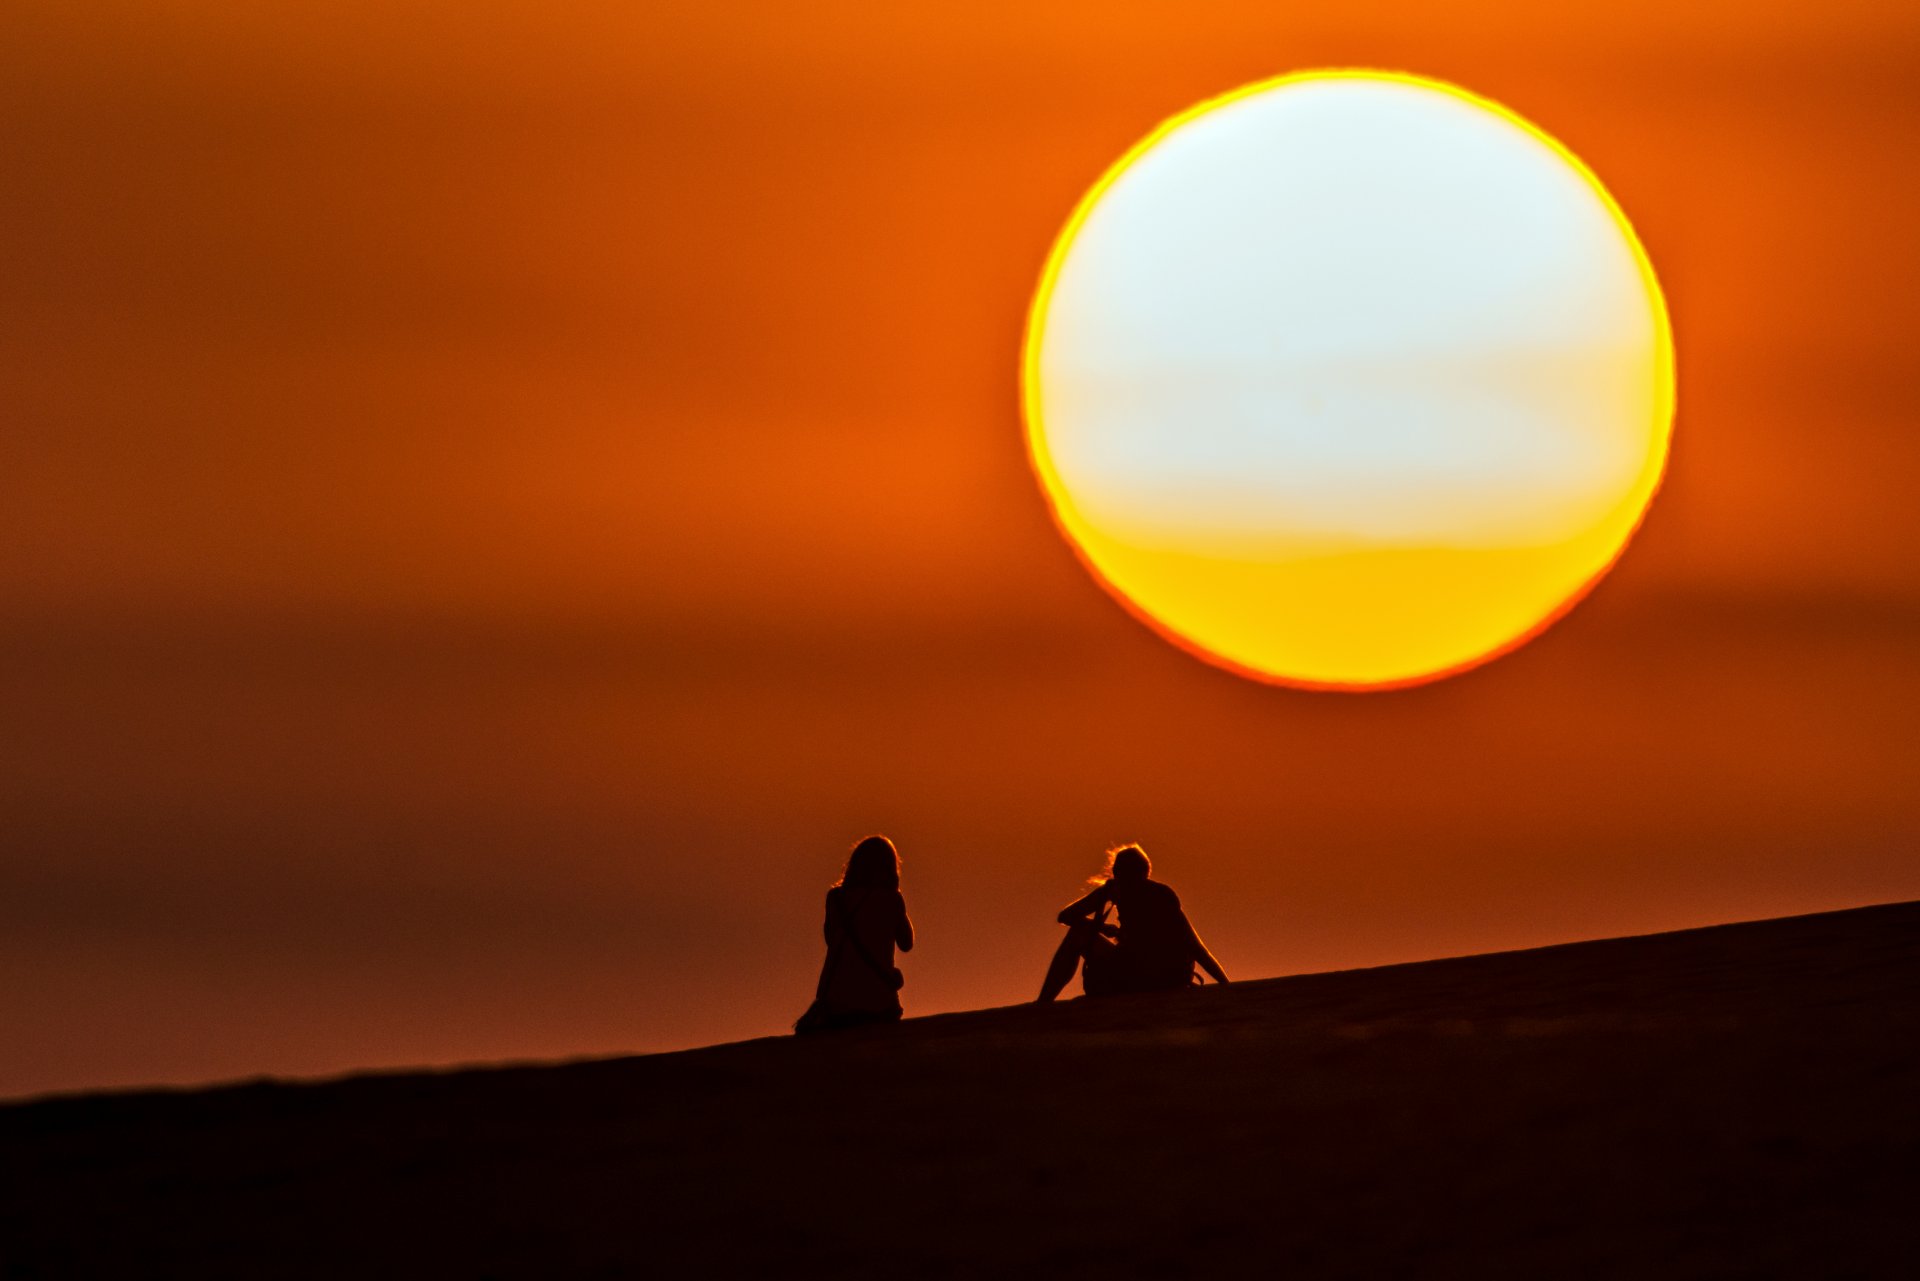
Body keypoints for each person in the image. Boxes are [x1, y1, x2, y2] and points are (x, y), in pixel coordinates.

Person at [1037, 844, 1227, 1002]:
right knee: (1079, 933)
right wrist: (1103, 927)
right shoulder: (1115, 890)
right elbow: (1066, 916)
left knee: (1078, 934)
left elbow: (1193, 945)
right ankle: (1043, 1003)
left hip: (1157, 975)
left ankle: (1043, 1004)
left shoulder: (1160, 895)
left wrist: (1226, 985)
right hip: (1136, 971)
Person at [795, 835, 916, 1034]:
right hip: (879, 1003)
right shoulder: (891, 899)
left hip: (836, 1004)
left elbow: (831, 940)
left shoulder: (835, 899)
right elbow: (906, 943)